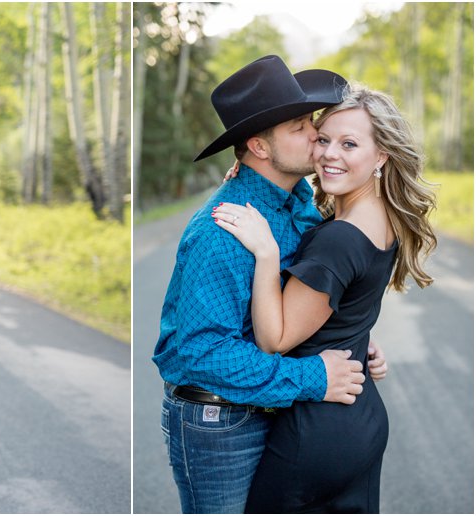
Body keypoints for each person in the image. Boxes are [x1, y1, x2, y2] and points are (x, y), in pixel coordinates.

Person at [152, 55, 387, 513]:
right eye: (300, 127)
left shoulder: (294, 200)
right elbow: (201, 352)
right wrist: (314, 375)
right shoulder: (221, 231)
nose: (316, 137)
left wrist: (350, 336)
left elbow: (312, 286)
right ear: (259, 147)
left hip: (271, 406)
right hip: (219, 421)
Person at [212, 85, 436, 512]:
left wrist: (266, 252)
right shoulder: (378, 216)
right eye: (323, 138)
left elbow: (274, 339)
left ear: (382, 156)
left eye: (349, 144)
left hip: (316, 430)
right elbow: (350, 300)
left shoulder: (340, 237)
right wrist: (359, 335)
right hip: (359, 418)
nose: (330, 153)